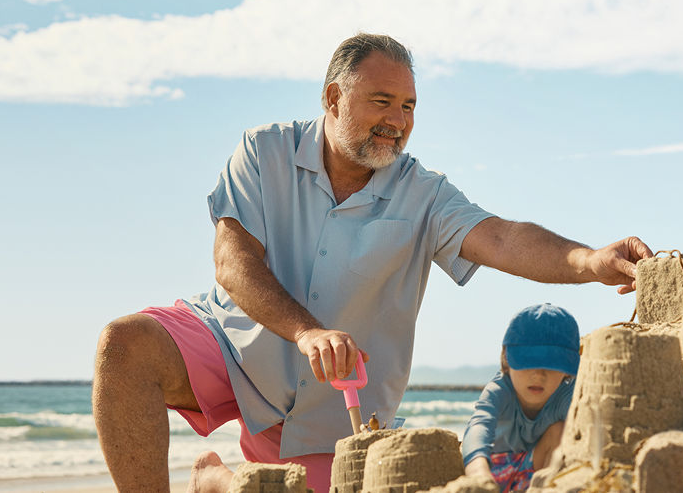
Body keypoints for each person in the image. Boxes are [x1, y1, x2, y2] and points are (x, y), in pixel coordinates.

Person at [91, 33, 652, 493]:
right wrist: (306, 332)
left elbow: (502, 238)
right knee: (125, 344)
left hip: (336, 399)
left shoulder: (425, 193)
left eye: (408, 106)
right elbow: (233, 263)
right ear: (333, 99)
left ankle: (214, 481)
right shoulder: (263, 151)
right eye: (381, 101)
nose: (398, 120)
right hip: (235, 346)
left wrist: (588, 259)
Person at [461, 304, 579, 493]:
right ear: (507, 360)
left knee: (561, 431)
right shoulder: (499, 390)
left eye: (551, 365)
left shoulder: (566, 395)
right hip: (493, 471)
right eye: (528, 362)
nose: (538, 375)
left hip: (536, 476)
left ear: (567, 371)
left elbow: (586, 428)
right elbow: (478, 426)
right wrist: (478, 472)